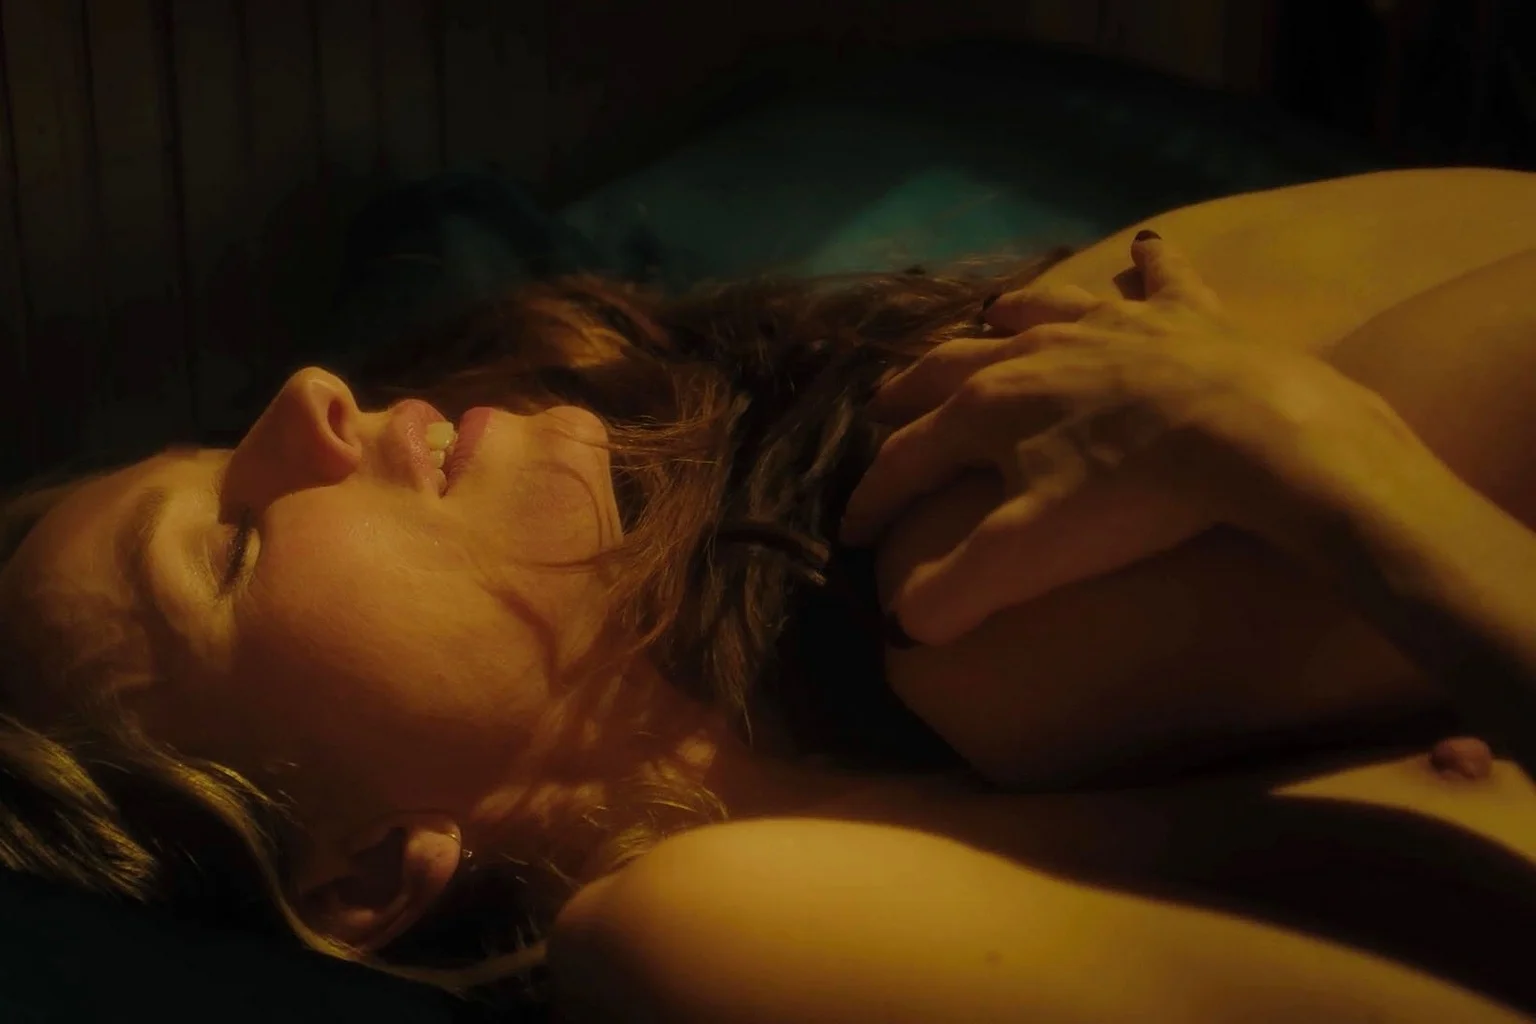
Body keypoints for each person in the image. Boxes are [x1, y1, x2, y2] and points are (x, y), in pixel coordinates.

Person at [2, 165, 1536, 1021]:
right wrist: (1323, 466)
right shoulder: (703, 928)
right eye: (227, 548)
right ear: (357, 876)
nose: (309, 400)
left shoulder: (945, 527)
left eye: (225, 448)